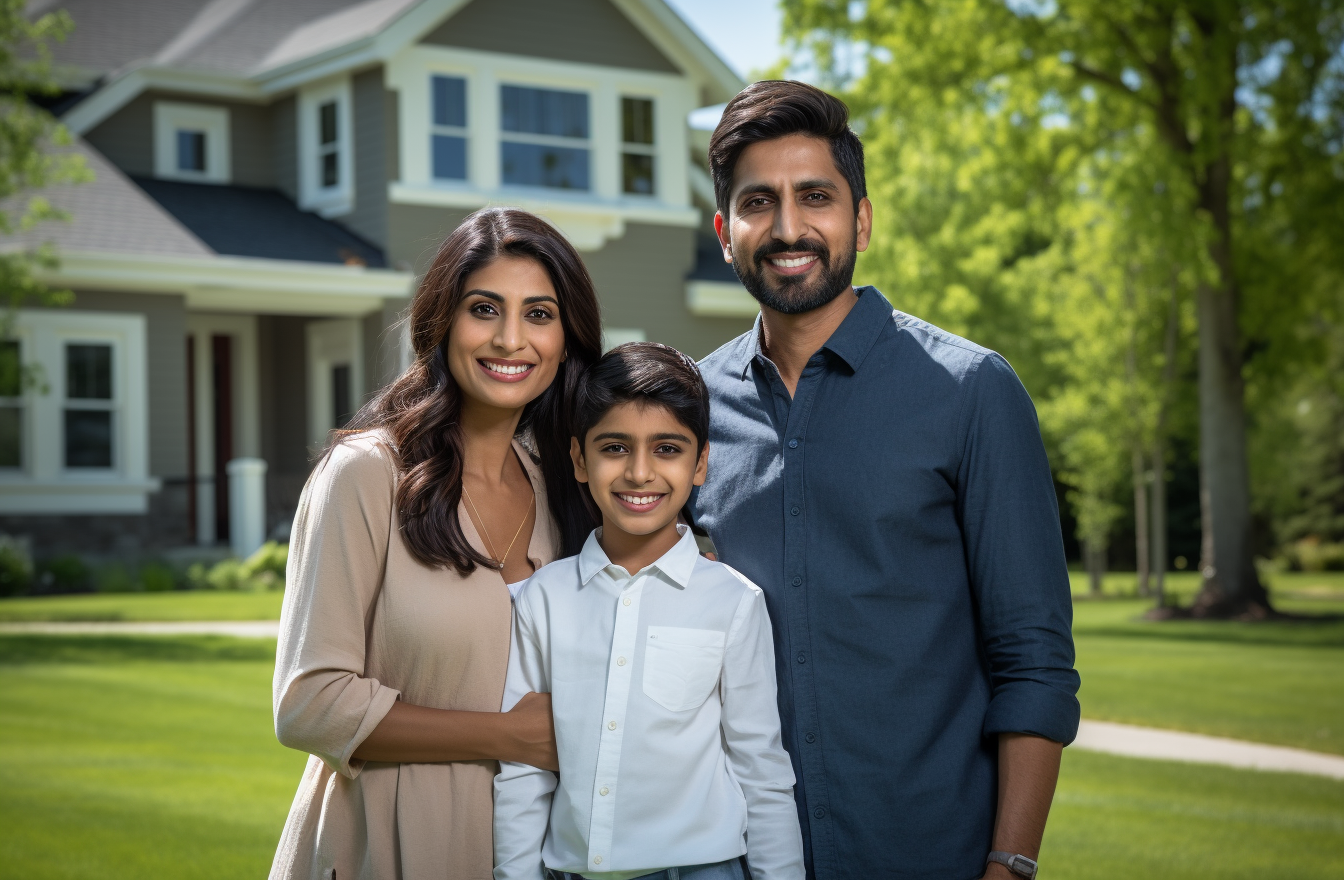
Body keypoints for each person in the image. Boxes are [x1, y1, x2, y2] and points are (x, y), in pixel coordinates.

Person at [692, 81, 1081, 880]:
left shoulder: (972, 392)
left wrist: (1010, 865)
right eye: (759, 202)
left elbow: (1033, 658)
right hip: (734, 859)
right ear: (726, 232)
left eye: (817, 197)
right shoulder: (686, 414)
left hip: (929, 852)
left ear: (861, 220)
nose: (790, 227)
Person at [269, 208, 604, 880]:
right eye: (486, 309)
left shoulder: (565, 492)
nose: (511, 339)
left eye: (539, 314)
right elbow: (308, 704)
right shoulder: (366, 474)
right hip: (383, 844)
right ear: (443, 320)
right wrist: (506, 737)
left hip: (523, 853)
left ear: (567, 340)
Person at [493, 343, 805, 880]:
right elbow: (523, 773)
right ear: (578, 460)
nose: (640, 473)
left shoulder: (734, 602)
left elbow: (762, 771)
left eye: (667, 449)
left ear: (701, 463)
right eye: (615, 447)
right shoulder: (540, 600)